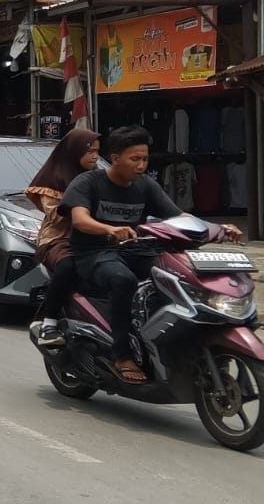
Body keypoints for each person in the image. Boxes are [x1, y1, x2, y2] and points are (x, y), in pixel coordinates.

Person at [62, 125, 240, 382]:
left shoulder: (145, 185)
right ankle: (121, 354)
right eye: (135, 159)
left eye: (145, 159)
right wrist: (110, 229)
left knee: (180, 271)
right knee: (123, 280)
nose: (141, 165)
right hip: (93, 252)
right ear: (115, 158)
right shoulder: (88, 182)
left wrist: (218, 228)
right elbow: (79, 220)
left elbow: (179, 216)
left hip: (135, 249)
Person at [25, 127, 100, 349]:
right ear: (74, 152)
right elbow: (56, 215)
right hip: (58, 240)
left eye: (98, 151)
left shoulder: (100, 178)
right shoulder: (54, 180)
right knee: (68, 266)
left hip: (96, 239)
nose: (95, 156)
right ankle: (49, 324)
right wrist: (83, 212)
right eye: (90, 152)